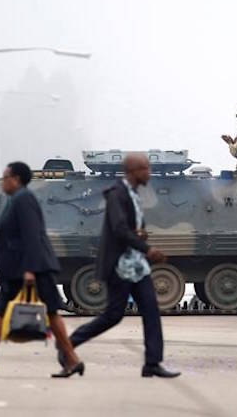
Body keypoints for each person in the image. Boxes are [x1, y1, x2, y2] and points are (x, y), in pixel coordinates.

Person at [60, 153, 180, 378]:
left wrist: (140, 235)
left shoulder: (132, 194)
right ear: (134, 171)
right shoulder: (118, 194)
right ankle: (66, 346)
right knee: (113, 315)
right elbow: (119, 228)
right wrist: (148, 249)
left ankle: (152, 363)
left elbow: (129, 227)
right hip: (120, 264)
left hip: (135, 264)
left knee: (151, 310)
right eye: (145, 168)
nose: (149, 173)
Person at [0, 161, 83, 378]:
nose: (3, 181)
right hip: (18, 270)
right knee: (1, 313)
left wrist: (30, 269)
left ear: (16, 179)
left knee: (50, 313)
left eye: (6, 177)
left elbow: (32, 234)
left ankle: (72, 359)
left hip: (31, 270)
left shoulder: (24, 200)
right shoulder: (15, 200)